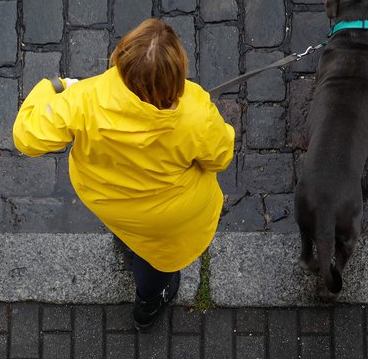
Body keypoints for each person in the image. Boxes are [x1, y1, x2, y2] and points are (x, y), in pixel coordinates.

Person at [13, 18, 235, 331]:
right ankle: (149, 304)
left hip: (107, 199)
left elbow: (28, 137)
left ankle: (127, 244)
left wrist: (54, 87)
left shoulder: (85, 99)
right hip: (167, 217)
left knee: (130, 234)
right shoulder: (196, 113)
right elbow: (220, 157)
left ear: (121, 59)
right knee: (158, 262)